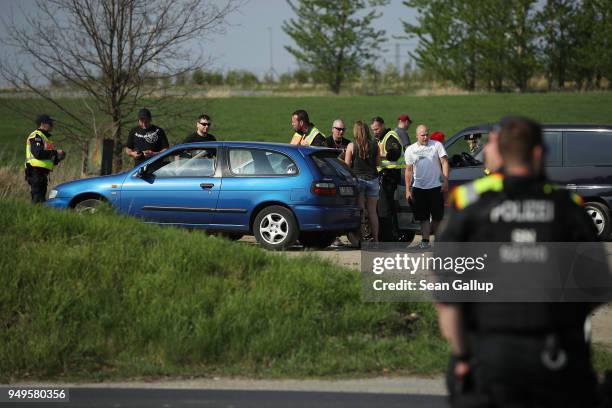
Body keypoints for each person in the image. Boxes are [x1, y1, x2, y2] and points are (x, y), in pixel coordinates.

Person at [437, 116, 603, 407]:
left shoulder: (470, 205)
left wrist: (463, 356)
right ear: (539, 153)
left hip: (489, 355)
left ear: (498, 152)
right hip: (556, 356)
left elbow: (449, 296)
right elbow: (595, 288)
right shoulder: (569, 208)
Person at [404, 125, 449, 249]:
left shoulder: (436, 145)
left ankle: (437, 239)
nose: (425, 137)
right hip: (418, 188)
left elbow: (445, 162)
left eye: (427, 134)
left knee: (437, 217)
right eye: (422, 135)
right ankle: (425, 241)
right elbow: (408, 170)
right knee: (423, 217)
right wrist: (408, 189)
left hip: (435, 186)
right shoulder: (410, 150)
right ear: (417, 135)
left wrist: (445, 180)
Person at [345, 121, 381, 243]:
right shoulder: (375, 145)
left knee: (360, 211)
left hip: (358, 180)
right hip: (373, 180)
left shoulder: (351, 146)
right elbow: (378, 163)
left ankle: (361, 239)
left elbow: (347, 165)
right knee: (372, 211)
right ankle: (376, 239)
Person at [371, 116, 404, 242]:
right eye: (373, 129)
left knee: (385, 209)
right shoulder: (379, 139)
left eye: (377, 128)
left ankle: (389, 237)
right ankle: (391, 236)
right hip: (384, 176)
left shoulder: (390, 136)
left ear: (383, 125)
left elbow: (394, 153)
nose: (375, 131)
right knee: (387, 207)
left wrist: (379, 155)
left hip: (390, 176)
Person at [24, 114, 66, 203]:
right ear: (43, 124)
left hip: (42, 174)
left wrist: (58, 158)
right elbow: (38, 154)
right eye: (50, 123)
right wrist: (55, 152)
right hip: (35, 172)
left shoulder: (47, 139)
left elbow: (49, 159)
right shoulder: (36, 136)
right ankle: (33, 215)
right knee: (37, 199)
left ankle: (37, 215)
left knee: (41, 200)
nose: (52, 125)